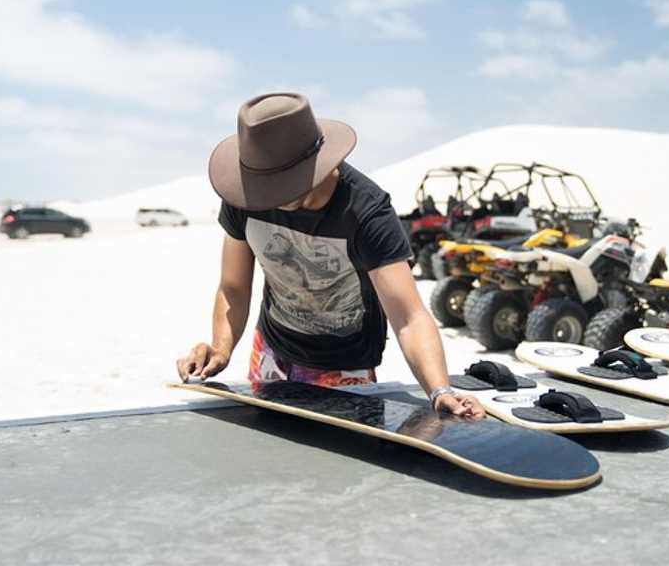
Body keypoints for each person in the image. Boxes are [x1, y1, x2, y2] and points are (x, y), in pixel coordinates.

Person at [176, 92, 484, 419]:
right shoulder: (246, 195)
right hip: (271, 350)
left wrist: (440, 391)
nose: (268, 197)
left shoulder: (367, 211)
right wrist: (221, 348)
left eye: (278, 185)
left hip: (344, 365)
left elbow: (408, 317)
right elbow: (233, 287)